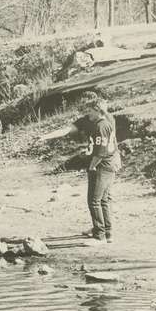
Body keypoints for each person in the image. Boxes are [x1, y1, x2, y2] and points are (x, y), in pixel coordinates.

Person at [39, 92, 121, 245]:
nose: (86, 112)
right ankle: (106, 232)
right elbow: (68, 130)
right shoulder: (101, 120)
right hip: (109, 161)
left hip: (103, 163)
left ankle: (100, 234)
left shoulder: (102, 124)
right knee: (104, 199)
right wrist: (46, 136)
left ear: (98, 109)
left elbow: (101, 150)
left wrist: (92, 165)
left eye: (89, 109)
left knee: (94, 200)